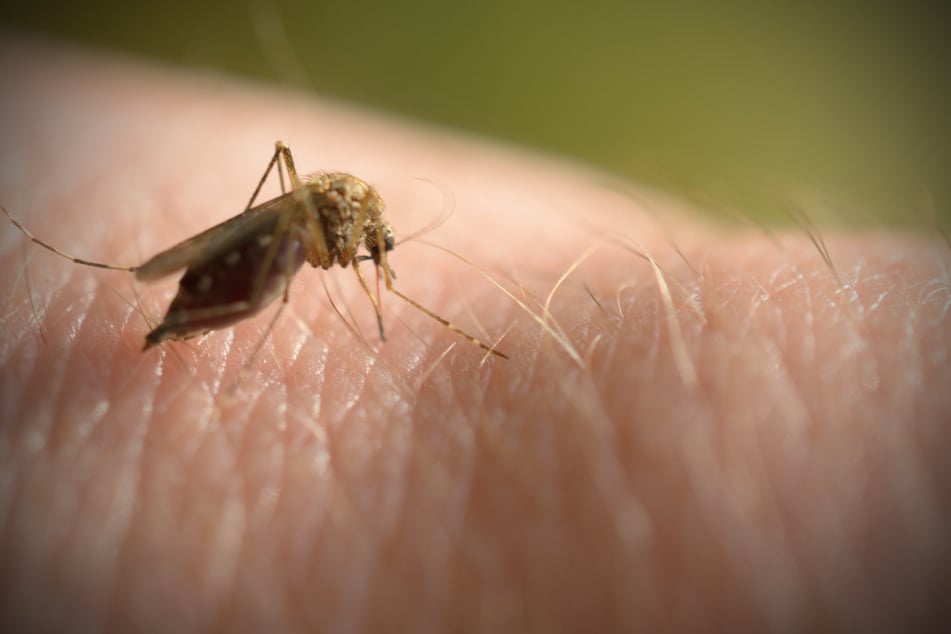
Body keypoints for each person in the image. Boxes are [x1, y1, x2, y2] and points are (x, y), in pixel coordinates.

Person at [1, 36, 948, 632]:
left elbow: (366, 257)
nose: (380, 269)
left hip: (285, 227)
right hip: (269, 242)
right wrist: (337, 284)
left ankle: (185, 307)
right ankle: (196, 323)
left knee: (285, 257)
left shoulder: (359, 219)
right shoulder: (340, 220)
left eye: (376, 260)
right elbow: (346, 252)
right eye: (377, 258)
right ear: (367, 237)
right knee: (277, 284)